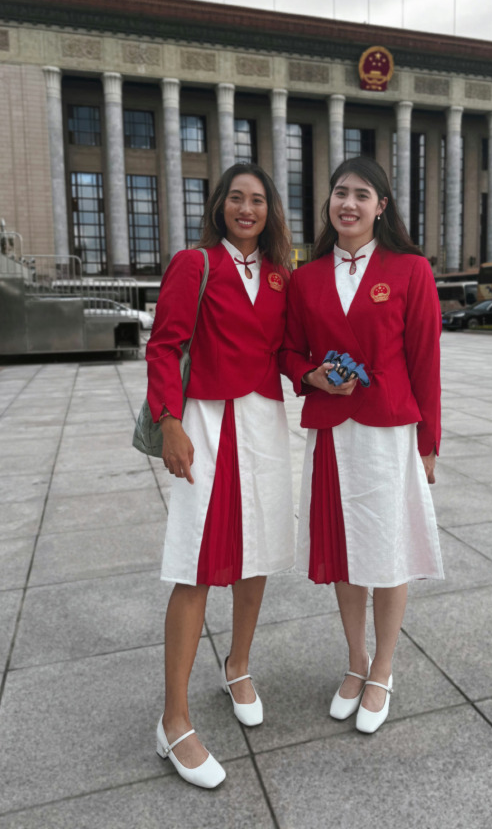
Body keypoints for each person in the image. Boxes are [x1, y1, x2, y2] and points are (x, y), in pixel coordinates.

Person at [280, 156, 444, 735]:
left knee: (387, 549)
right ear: (329, 203)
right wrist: (312, 376)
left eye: (362, 194)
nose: (348, 204)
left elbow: (426, 361)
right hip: (332, 430)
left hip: (387, 429)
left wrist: (429, 443)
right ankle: (353, 663)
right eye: (339, 193)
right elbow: (289, 352)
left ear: (382, 206)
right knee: (345, 551)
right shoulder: (306, 277)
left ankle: (383, 669)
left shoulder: (409, 270)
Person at [146, 163, 294, 789]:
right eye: (236, 198)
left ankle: (237, 665)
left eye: (257, 200)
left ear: (270, 211)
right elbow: (162, 345)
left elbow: (283, 352)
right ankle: (173, 719)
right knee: (197, 564)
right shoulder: (194, 264)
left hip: (262, 423)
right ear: (219, 206)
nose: (246, 208)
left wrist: (317, 374)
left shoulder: (282, 276)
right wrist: (168, 421)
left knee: (255, 555)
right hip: (205, 424)